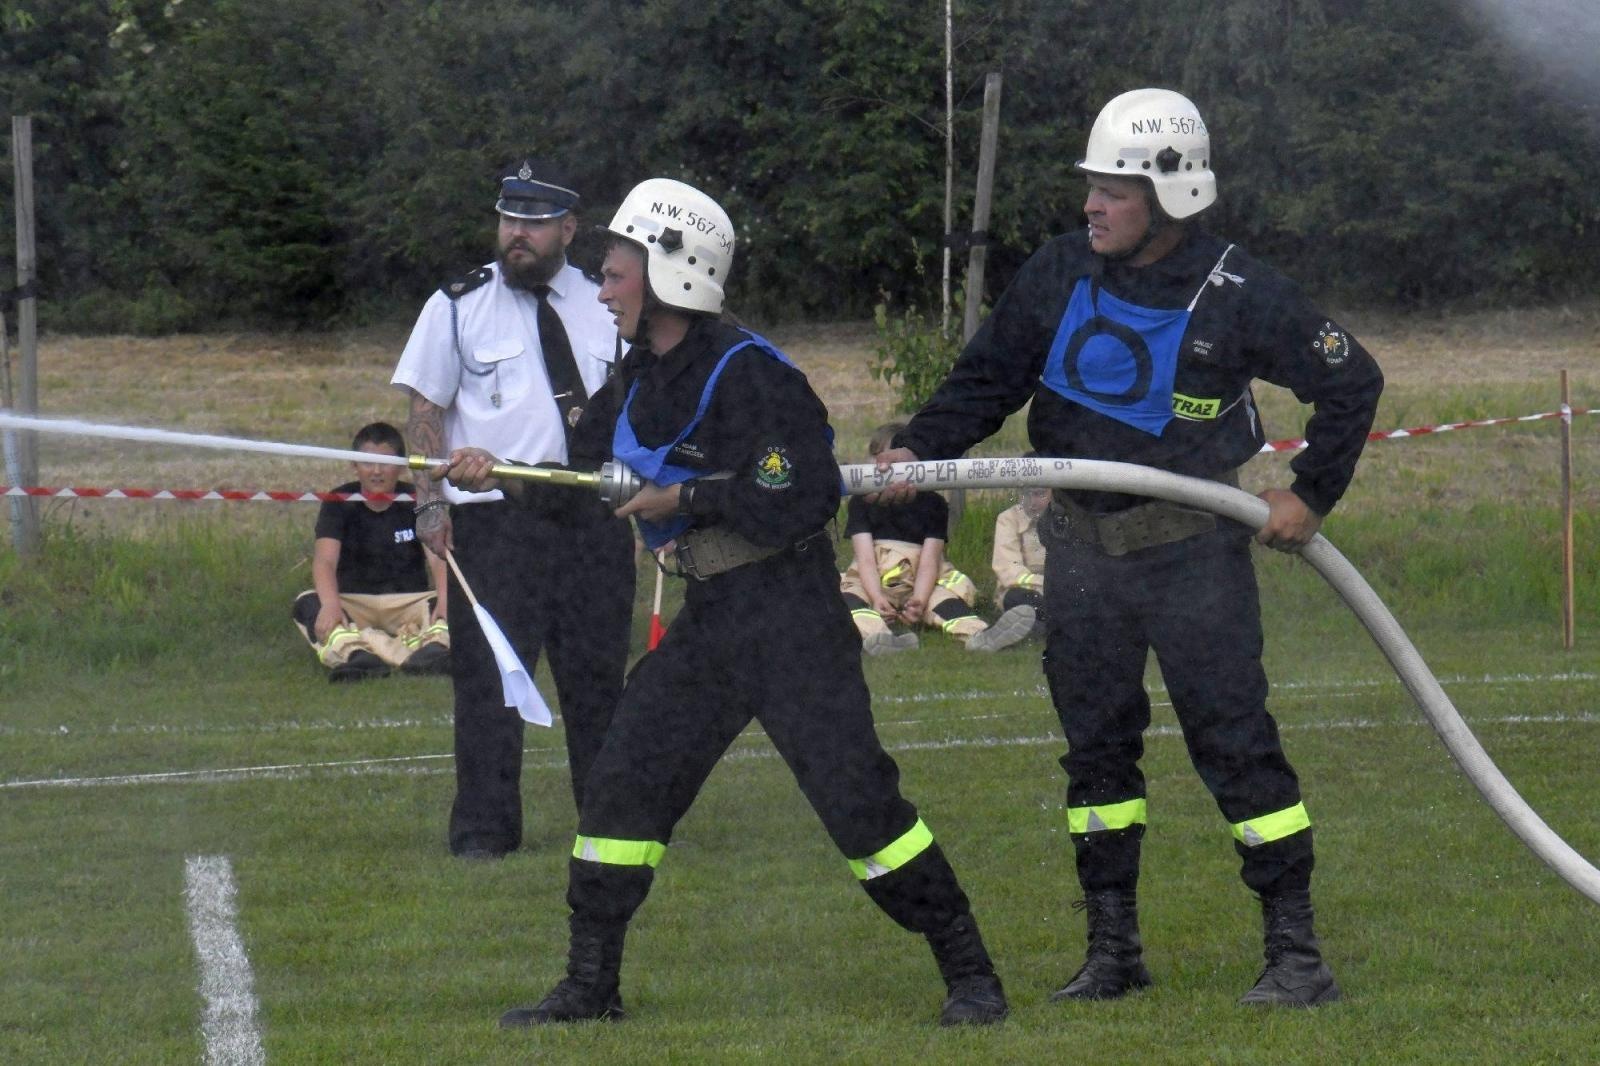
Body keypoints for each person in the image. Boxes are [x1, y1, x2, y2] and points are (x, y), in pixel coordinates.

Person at [442, 178, 1007, 1028]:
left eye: (617, 272)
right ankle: (591, 984)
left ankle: (971, 974)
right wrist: (491, 472)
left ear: (676, 269)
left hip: (788, 618)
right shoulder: (638, 374)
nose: (602, 290)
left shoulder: (753, 375)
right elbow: (579, 473)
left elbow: (800, 485)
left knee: (861, 807)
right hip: (711, 622)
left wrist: (689, 501)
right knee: (622, 788)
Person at [874, 88, 1383, 1008]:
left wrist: (1310, 494)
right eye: (1093, 187)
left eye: (1114, 188)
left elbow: (1354, 380)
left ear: (1171, 194)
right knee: (1097, 758)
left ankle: (1296, 957)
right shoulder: (1061, 271)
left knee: (1236, 747)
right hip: (1079, 556)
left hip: (1193, 556)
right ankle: (1114, 953)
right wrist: (919, 444)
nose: (1092, 205)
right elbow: (986, 378)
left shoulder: (1241, 291)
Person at [391, 158, 637, 860]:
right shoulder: (456, 305)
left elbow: (633, 413)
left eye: (532, 223)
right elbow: (425, 410)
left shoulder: (605, 304)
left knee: (597, 683)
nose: (516, 236)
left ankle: (610, 823)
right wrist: (433, 508)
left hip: (593, 519)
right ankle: (484, 831)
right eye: (508, 221)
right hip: (498, 523)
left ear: (568, 228)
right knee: (488, 683)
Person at [292, 422, 450, 682]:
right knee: (307, 603)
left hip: (409, 601)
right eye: (367, 462)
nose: (376, 472)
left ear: (400, 466)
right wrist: (331, 605)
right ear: (354, 465)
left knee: (456, 598)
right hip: (354, 602)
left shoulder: (417, 498)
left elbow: (438, 559)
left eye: (385, 463)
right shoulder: (338, 501)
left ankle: (432, 652)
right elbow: (325, 562)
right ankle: (357, 657)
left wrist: (444, 599)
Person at [840, 421, 1004, 654]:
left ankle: (980, 634)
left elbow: (929, 562)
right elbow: (865, 559)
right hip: (872, 579)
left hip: (917, 579)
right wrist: (876, 597)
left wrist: (919, 599)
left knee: (943, 599)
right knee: (850, 598)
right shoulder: (862, 502)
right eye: (882, 461)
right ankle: (880, 637)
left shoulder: (934, 504)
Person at [975, 480, 1052, 654]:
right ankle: (1062, 628)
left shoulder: (1064, 518)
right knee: (1016, 598)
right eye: (1026, 494)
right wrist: (1051, 587)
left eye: (1040, 494)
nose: (1032, 501)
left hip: (1055, 595)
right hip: (1023, 594)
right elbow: (1010, 572)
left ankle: (1004, 634)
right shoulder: (1007, 518)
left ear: (1054, 493)